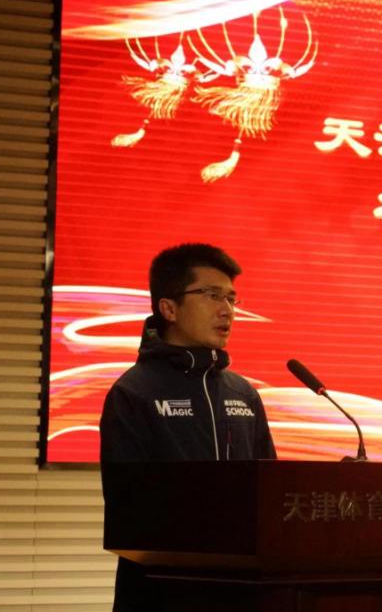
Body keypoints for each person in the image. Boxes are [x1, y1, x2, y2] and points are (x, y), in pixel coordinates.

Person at [99, 243, 277, 611]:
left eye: (231, 298)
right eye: (212, 295)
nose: (227, 310)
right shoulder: (134, 393)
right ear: (169, 308)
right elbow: (128, 509)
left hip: (242, 592)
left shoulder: (243, 394)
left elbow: (271, 493)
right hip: (161, 592)